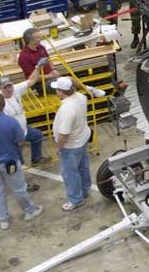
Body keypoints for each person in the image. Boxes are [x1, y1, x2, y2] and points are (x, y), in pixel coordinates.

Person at [0, 93, 43, 229]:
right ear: (4, 105)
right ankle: (29, 211)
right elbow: (20, 142)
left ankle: (3, 220)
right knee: (19, 188)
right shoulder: (11, 122)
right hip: (8, 162)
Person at [51, 76, 92, 211]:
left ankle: (76, 199)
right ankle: (85, 190)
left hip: (71, 145)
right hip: (82, 138)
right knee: (83, 167)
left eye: (57, 89)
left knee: (70, 173)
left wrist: (59, 148)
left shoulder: (67, 109)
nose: (56, 91)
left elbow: (64, 133)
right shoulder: (81, 97)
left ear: (61, 92)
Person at [0, 72, 50, 170]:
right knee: (19, 163)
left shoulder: (16, 89)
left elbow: (31, 81)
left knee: (37, 136)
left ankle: (36, 159)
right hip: (12, 136)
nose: (9, 89)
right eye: (5, 87)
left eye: (10, 86)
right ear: (1, 88)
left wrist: (37, 68)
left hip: (24, 129)